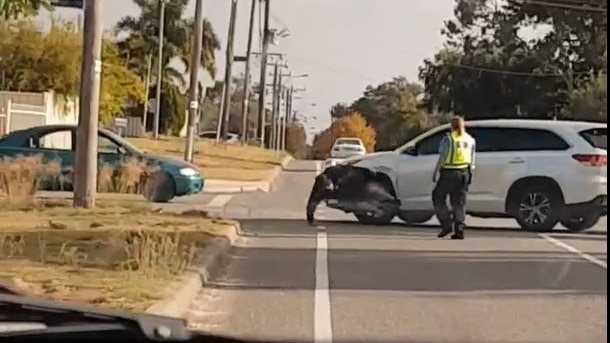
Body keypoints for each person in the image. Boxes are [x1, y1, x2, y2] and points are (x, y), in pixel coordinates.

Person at [432, 116, 476, 240]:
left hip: (449, 172)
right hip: (464, 172)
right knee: (459, 202)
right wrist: (470, 173)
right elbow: (472, 158)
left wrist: (435, 172)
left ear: (451, 126)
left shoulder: (449, 139)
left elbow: (442, 157)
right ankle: (459, 230)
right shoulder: (470, 139)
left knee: (437, 197)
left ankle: (446, 224)